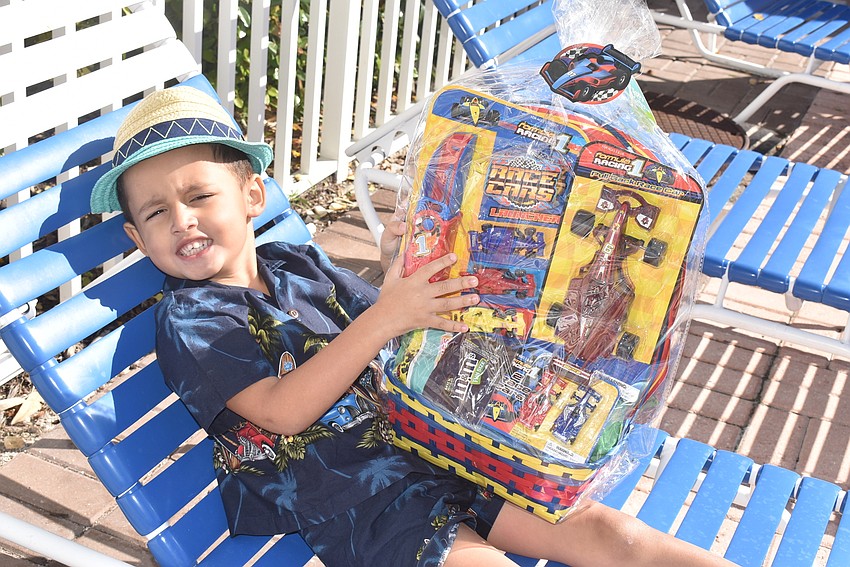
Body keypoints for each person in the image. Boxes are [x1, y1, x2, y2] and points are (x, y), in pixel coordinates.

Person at [90, 85, 734, 567]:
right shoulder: (194, 320)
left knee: (613, 538)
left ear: (253, 197)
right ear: (137, 238)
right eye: (155, 212)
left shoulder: (295, 262)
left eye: (200, 196)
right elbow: (277, 412)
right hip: (351, 494)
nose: (182, 221)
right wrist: (388, 316)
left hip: (438, 443)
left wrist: (401, 269)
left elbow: (387, 323)